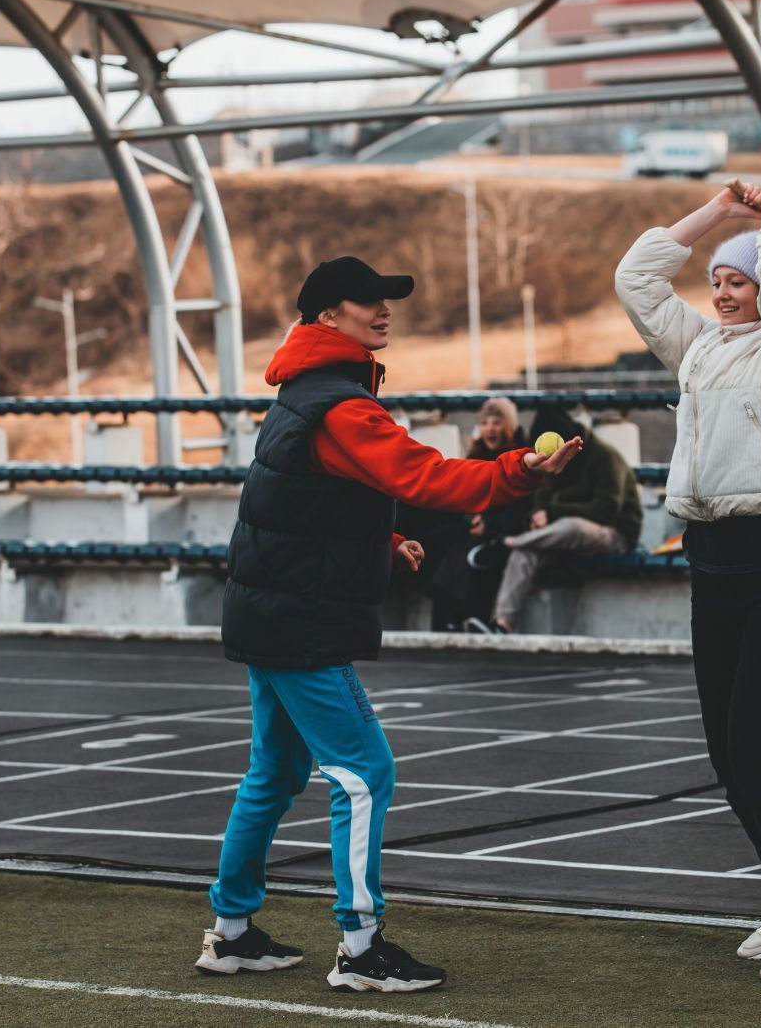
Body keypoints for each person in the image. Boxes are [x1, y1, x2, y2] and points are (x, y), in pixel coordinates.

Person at [198, 255, 582, 991]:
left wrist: (382, 540)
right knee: (366, 773)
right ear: (326, 316)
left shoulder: (302, 394)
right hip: (301, 620)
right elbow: (426, 476)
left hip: (269, 610)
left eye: (387, 299)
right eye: (366, 299)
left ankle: (233, 932)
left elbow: (300, 502)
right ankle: (361, 947)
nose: (383, 310)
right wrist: (520, 472)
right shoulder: (341, 405)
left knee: (274, 773)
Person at [614, 184, 761, 982]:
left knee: (755, 751)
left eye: (737, 281)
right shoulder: (699, 348)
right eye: (716, 280)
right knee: (727, 756)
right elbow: (636, 277)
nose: (721, 293)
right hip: (711, 562)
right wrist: (719, 213)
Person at [485, 403, 644, 633]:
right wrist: (538, 515)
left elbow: (607, 510)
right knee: (525, 553)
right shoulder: (550, 460)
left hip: (614, 534)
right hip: (559, 537)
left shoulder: (605, 457)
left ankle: (508, 542)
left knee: (572, 527)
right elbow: (541, 497)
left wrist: (553, 513)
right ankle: (502, 623)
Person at [426, 397, 534, 631]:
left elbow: (521, 504)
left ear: (508, 426)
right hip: (476, 527)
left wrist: (488, 524)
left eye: (496, 422)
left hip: (504, 532)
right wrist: (471, 518)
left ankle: (470, 619)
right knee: (440, 542)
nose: (490, 429)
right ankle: (447, 623)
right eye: (485, 423)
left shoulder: (519, 457)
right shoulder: (476, 454)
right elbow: (462, 492)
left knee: (470, 557)